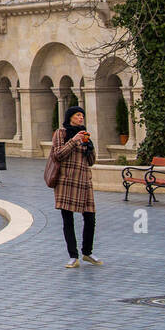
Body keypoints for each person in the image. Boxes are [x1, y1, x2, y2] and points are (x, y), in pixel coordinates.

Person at [53, 105, 100, 268]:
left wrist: (90, 146)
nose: (81, 118)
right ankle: (73, 256)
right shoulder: (62, 133)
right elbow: (58, 154)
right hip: (67, 182)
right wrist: (74, 141)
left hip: (84, 182)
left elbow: (92, 161)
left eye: (82, 115)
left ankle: (87, 252)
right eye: (78, 115)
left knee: (90, 218)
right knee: (68, 219)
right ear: (70, 117)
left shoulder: (85, 135)